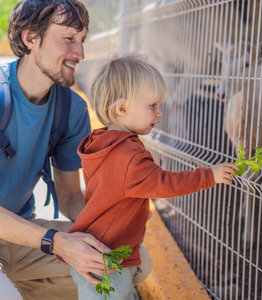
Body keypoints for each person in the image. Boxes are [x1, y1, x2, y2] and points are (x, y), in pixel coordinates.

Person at [0, 1, 150, 299]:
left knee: (131, 261)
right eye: (68, 39)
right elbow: (53, 241)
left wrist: (113, 224)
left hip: (19, 233)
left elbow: (69, 196)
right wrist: (57, 243)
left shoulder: (71, 108)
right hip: (30, 235)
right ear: (31, 39)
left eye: (82, 40)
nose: (79, 53)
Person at [67, 56, 238, 299]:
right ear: (123, 108)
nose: (160, 112)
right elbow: (164, 183)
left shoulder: (103, 142)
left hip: (101, 251)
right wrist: (209, 175)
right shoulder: (127, 155)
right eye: (153, 105)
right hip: (106, 262)